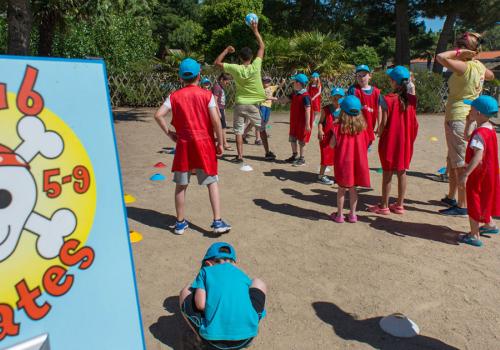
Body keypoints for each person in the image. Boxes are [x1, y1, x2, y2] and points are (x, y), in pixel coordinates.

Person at [154, 58, 231, 235]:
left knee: (181, 185)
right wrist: (219, 142)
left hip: (184, 145)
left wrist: (169, 133)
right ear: (199, 75)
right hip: (204, 144)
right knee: (212, 183)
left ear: (181, 77)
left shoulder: (174, 96)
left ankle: (180, 223)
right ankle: (217, 221)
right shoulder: (207, 95)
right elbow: (216, 121)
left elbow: (158, 115)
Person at [435, 31, 495, 216]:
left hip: (458, 117)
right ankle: (452, 196)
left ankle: (462, 205)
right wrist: (473, 57)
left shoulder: (464, 67)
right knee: (453, 159)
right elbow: (491, 75)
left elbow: (440, 57)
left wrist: (460, 53)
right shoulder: (477, 66)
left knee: (460, 162)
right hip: (467, 116)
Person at [179, 242, 267, 349]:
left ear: (208, 263)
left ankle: (199, 339)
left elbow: (200, 305)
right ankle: (248, 327)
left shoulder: (205, 272)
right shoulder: (241, 274)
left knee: (185, 291)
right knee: (258, 282)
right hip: (246, 338)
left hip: (213, 341)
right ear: (234, 263)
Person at [214, 21, 276, 163]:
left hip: (240, 104)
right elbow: (262, 46)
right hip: (253, 105)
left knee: (238, 131)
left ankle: (240, 156)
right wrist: (255, 30)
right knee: (261, 129)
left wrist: (226, 50)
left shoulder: (236, 68)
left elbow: (217, 63)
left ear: (240, 58)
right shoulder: (256, 66)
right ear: (252, 57)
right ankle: (267, 153)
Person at [369, 66, 418, 215]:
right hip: (405, 142)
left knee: (388, 174)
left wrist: (379, 132)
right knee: (402, 172)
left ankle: (384, 205)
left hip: (390, 141)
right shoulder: (411, 100)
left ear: (393, 82)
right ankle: (399, 205)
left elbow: (383, 122)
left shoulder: (387, 99)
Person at [458, 95, 499, 247]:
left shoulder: (480, 133)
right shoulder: (488, 128)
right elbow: (467, 137)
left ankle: (474, 234)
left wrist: (465, 174)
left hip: (479, 175)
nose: (470, 109)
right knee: (485, 198)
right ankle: (489, 224)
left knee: (475, 200)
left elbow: (478, 155)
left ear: (479, 113)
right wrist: (469, 122)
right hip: (490, 173)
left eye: (472, 108)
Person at [329, 95, 370, 223]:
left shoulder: (337, 127)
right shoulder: (363, 128)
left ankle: (340, 215)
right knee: (353, 189)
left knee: (341, 190)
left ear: (342, 111)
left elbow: (331, 144)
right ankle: (352, 215)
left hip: (343, 164)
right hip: (357, 164)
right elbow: (367, 143)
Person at [347, 65, 384, 145]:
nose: (361, 78)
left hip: (369, 129)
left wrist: (379, 125)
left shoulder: (376, 92)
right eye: (359, 76)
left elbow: (379, 109)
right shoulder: (353, 90)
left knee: (364, 152)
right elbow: (347, 108)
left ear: (370, 76)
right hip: (355, 127)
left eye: (364, 75)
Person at [317, 87, 344, 185]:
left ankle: (338, 176)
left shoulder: (344, 110)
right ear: (331, 98)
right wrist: (320, 130)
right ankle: (321, 176)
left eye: (339, 97)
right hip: (326, 137)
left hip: (339, 137)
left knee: (339, 157)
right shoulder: (326, 109)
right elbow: (320, 122)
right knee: (325, 156)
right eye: (335, 97)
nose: (337, 99)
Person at [286, 73, 313, 166]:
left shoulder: (305, 96)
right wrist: (270, 98)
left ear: (299, 83)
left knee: (302, 140)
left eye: (294, 81)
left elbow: (308, 110)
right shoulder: (295, 94)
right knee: (292, 138)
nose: (293, 83)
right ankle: (294, 156)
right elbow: (284, 100)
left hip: (302, 123)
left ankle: (302, 159)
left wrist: (308, 124)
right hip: (294, 121)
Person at [212, 73, 233, 150]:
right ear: (221, 80)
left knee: (222, 126)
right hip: (218, 109)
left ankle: (222, 143)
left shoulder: (220, 87)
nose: (228, 83)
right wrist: (218, 112)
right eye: (227, 81)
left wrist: (223, 111)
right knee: (222, 127)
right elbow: (215, 100)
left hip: (221, 109)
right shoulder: (217, 87)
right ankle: (224, 143)